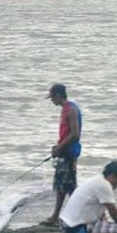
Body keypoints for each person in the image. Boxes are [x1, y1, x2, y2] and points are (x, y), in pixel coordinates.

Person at [44, 83, 82, 225]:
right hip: (64, 151)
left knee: (64, 185)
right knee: (66, 186)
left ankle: (57, 217)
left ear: (59, 95)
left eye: (52, 97)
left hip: (69, 153)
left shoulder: (71, 110)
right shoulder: (65, 109)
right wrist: (58, 147)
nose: (51, 100)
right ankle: (66, 215)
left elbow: (75, 135)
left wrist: (60, 147)